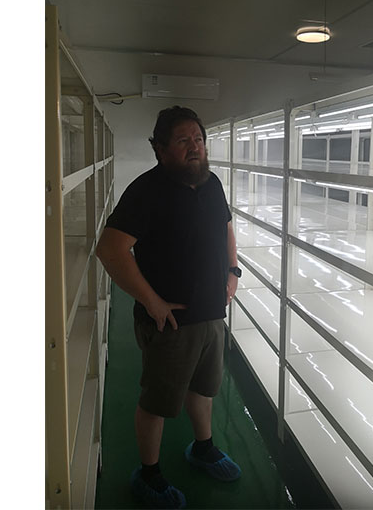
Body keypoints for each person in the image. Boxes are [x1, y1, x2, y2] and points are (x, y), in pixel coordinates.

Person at [96, 106, 242, 509]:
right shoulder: (147, 191)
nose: (194, 146)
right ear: (160, 149)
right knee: (158, 401)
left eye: (198, 139)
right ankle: (149, 474)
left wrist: (232, 271)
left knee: (204, 388)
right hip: (171, 321)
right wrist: (152, 302)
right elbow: (110, 249)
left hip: (211, 313)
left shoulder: (212, 183)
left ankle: (203, 447)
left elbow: (226, 228)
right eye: (182, 140)